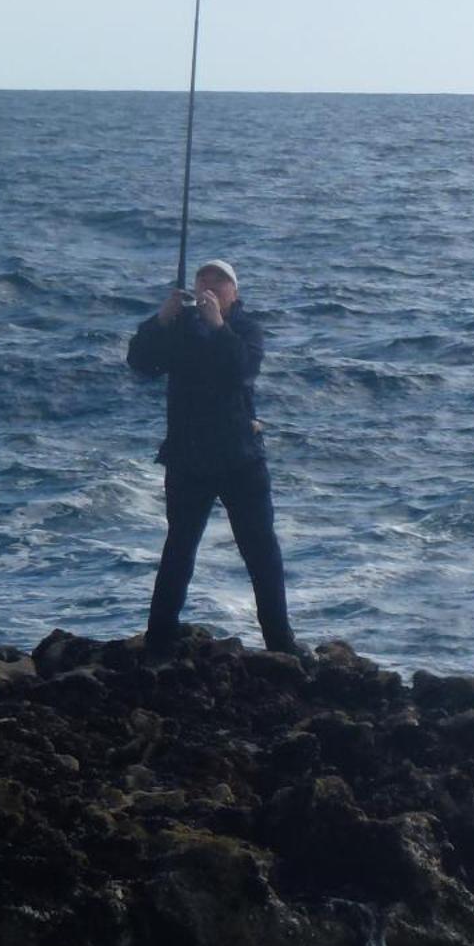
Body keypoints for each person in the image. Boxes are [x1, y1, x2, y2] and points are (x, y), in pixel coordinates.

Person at [127, 259, 301, 658]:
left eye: (219, 281)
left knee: (261, 553)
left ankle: (280, 643)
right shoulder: (182, 328)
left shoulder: (245, 328)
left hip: (240, 457)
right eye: (203, 279)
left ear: (234, 293)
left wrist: (219, 326)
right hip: (188, 458)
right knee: (179, 550)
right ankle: (159, 639)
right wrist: (161, 320)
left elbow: (242, 368)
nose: (209, 285)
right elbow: (141, 363)